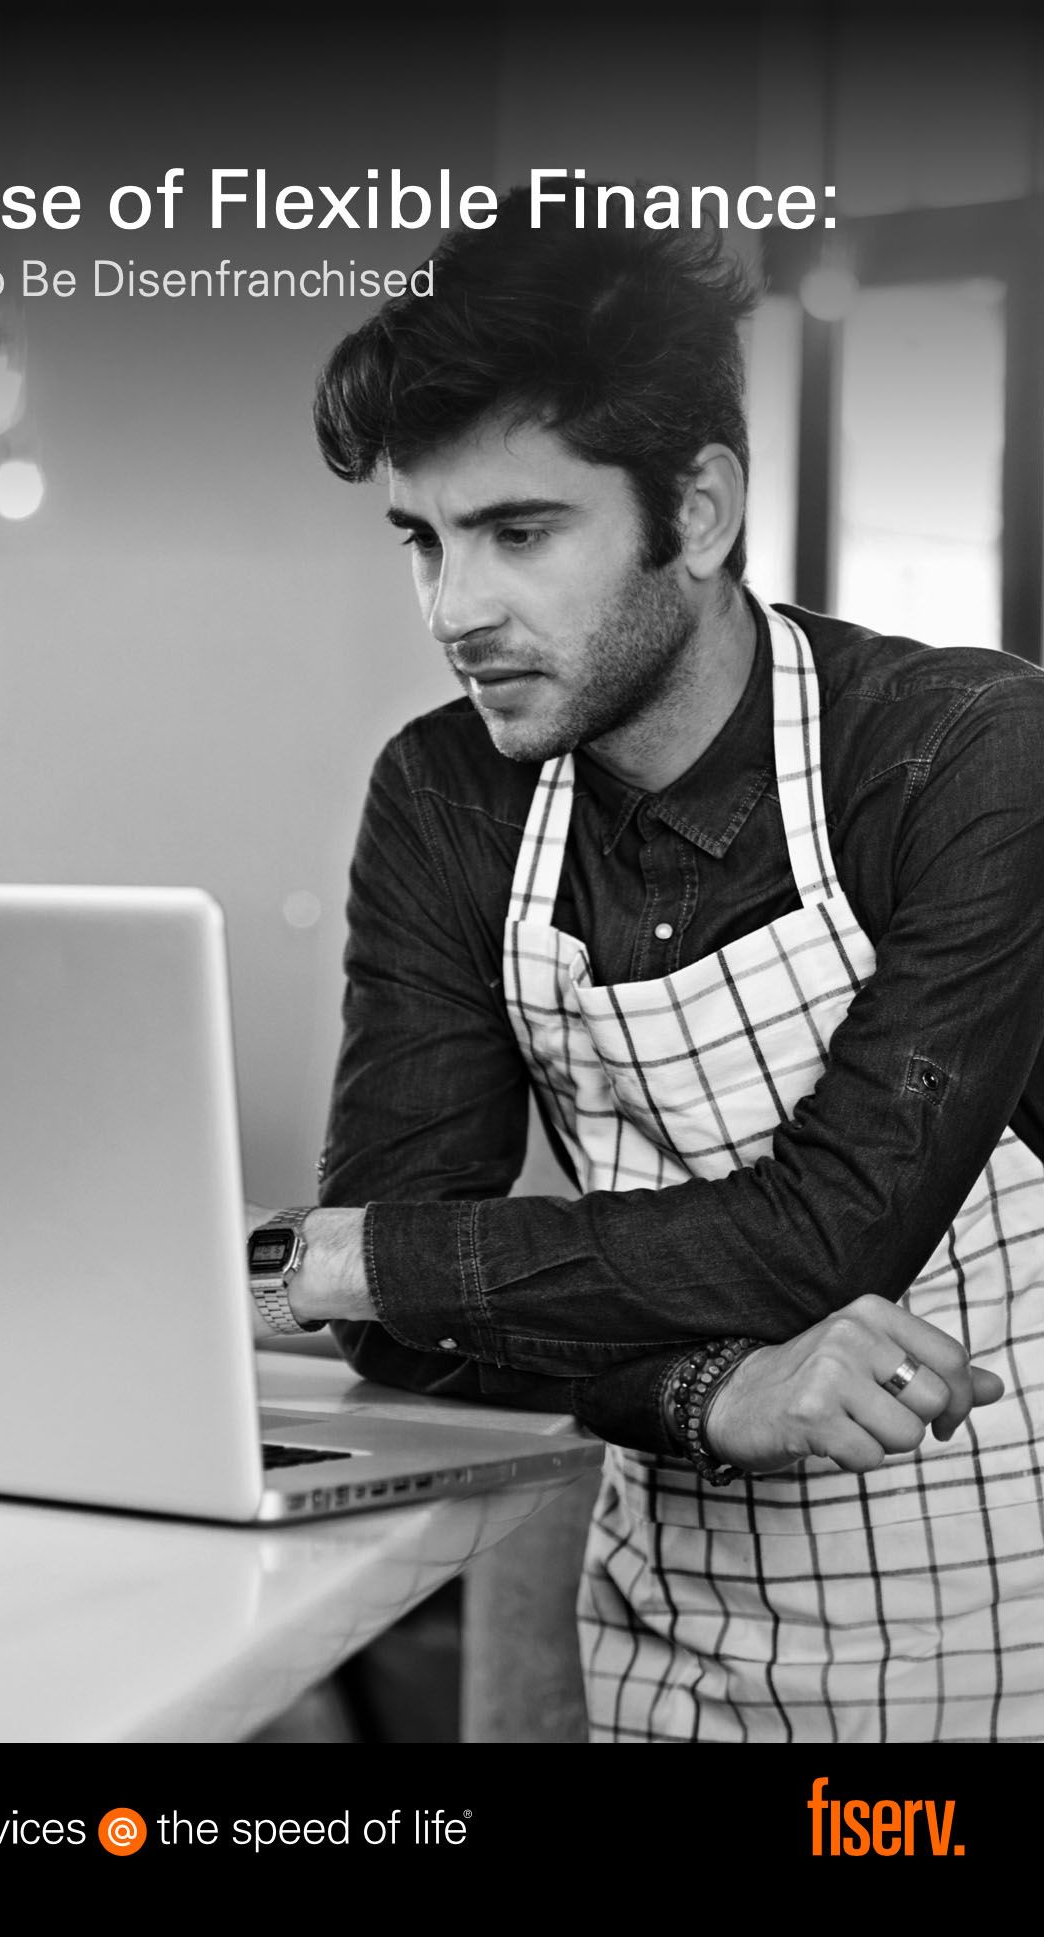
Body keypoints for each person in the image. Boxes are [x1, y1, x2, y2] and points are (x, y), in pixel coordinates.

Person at [244, 188, 1044, 1743]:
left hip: (1006, 1626)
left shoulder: (964, 752)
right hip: (665, 1652)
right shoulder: (445, 797)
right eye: (426, 539)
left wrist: (358, 1255)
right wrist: (702, 1397)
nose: (456, 610)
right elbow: (400, 1322)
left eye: (519, 532)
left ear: (700, 511)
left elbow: (828, 1231)